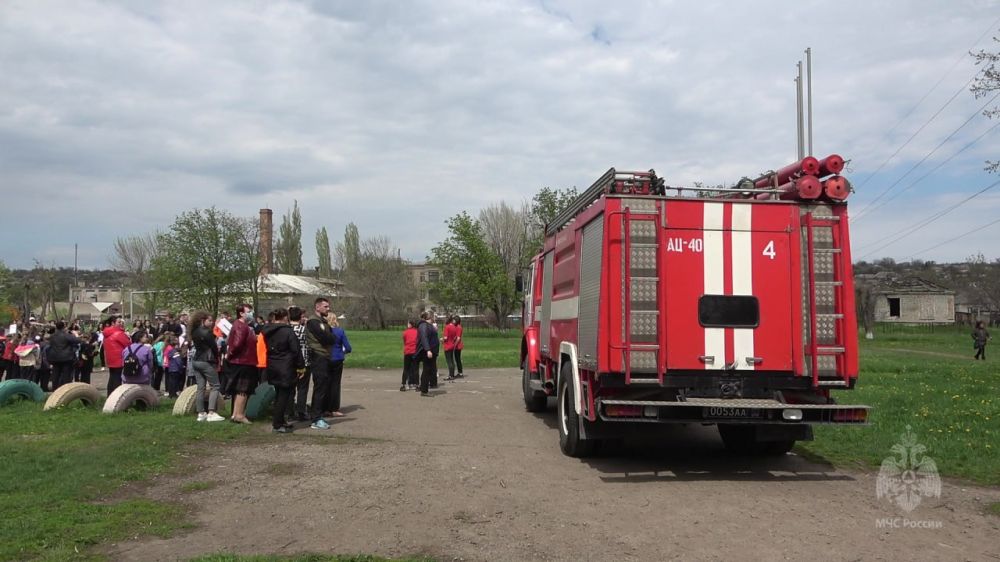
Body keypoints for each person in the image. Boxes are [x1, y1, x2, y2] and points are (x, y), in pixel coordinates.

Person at [262, 308, 305, 434]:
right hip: (286, 366)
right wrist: (301, 366)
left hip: (273, 364)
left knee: (279, 394)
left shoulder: (267, 330)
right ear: (286, 317)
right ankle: (277, 424)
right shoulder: (287, 331)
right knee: (283, 396)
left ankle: (280, 420)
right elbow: (296, 350)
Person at [305, 298, 337, 430]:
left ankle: (319, 414)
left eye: (328, 306)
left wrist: (331, 337)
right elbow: (326, 338)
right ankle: (316, 418)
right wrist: (331, 337)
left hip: (324, 356)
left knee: (323, 387)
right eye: (325, 306)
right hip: (318, 356)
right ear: (317, 307)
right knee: (320, 387)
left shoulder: (322, 321)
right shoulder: (314, 322)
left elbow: (332, 337)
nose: (328, 309)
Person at [226, 304, 259, 424]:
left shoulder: (240, 325)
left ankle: (235, 414)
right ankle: (239, 415)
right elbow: (237, 344)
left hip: (242, 361)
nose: (251, 314)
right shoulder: (242, 326)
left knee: (239, 389)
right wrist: (231, 354)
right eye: (249, 311)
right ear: (241, 313)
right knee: (243, 390)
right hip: (244, 361)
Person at [189, 312, 224, 421]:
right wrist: (218, 359)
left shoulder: (194, 331)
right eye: (209, 320)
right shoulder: (207, 332)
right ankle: (211, 413)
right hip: (206, 361)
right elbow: (214, 347)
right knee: (215, 386)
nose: (211, 322)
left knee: (201, 387)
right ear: (202, 320)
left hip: (196, 360)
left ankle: (201, 413)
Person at [288, 306, 312, 421]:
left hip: (289, 363)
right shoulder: (304, 330)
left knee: (290, 389)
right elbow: (309, 345)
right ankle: (301, 411)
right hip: (304, 361)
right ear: (300, 317)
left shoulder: (287, 329)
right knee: (302, 388)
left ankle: (290, 412)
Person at [327, 315, 351, 417]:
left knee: (324, 384)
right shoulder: (339, 331)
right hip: (337, 358)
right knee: (335, 384)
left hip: (325, 358)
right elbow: (348, 347)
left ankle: (324, 407)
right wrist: (342, 352)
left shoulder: (323, 332)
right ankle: (334, 408)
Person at [102, 316, 132, 396]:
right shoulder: (119, 333)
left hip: (110, 359)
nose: (121, 323)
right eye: (119, 322)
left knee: (112, 378)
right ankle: (116, 397)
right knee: (117, 379)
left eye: (121, 322)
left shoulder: (106, 333)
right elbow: (128, 344)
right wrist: (128, 337)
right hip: (119, 359)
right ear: (113, 323)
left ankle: (109, 396)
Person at [416, 311, 440, 396]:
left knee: (429, 370)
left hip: (432, 351)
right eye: (433, 316)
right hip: (427, 351)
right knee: (427, 370)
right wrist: (428, 350)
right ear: (429, 317)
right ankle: (424, 390)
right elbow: (424, 338)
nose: (434, 318)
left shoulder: (429, 325)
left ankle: (424, 388)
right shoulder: (423, 325)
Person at [443, 315, 464, 381]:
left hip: (457, 346)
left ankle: (460, 372)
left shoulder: (458, 327)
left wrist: (454, 345)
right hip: (454, 345)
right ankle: (457, 373)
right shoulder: (455, 326)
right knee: (455, 359)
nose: (453, 321)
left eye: (454, 320)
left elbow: (458, 338)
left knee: (457, 359)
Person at [400, 320, 418, 391]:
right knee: (415, 368)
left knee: (406, 368)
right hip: (415, 351)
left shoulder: (405, 332)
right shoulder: (417, 332)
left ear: (410, 324)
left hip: (408, 351)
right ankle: (416, 384)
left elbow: (405, 341)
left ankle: (403, 384)